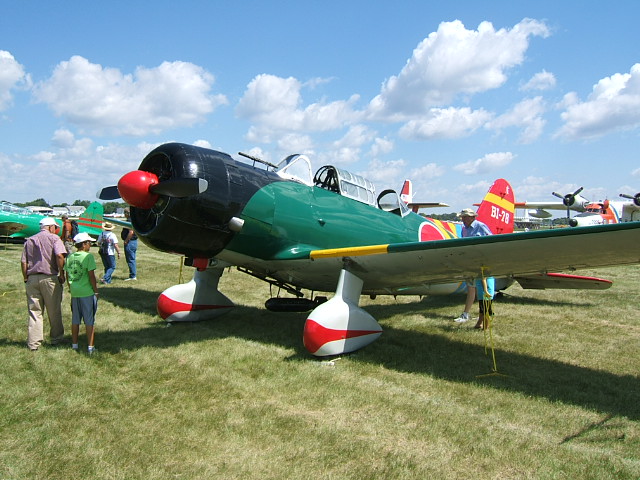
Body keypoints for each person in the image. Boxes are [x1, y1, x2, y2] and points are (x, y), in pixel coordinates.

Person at [20, 217, 66, 350]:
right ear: (51, 227)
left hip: (32, 278)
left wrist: (25, 277)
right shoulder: (54, 239)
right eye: (55, 227)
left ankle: (33, 343)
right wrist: (61, 273)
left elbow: (24, 262)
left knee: (34, 312)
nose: (56, 230)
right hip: (49, 278)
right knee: (54, 311)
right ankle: (56, 339)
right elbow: (59, 256)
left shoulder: (30, 240)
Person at [454, 208, 493, 323]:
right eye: (462, 217)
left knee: (484, 291)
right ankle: (467, 314)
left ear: (472, 217)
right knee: (471, 287)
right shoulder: (464, 229)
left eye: (465, 217)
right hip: (471, 264)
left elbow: (492, 240)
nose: (463, 220)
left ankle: (484, 319)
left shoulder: (480, 226)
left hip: (482, 264)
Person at [121, 207, 138, 281]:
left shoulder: (129, 221)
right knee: (132, 258)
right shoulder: (134, 220)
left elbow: (131, 232)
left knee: (130, 259)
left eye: (125, 213)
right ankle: (133, 274)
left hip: (130, 242)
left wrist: (126, 240)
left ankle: (132, 276)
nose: (124, 215)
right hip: (134, 242)